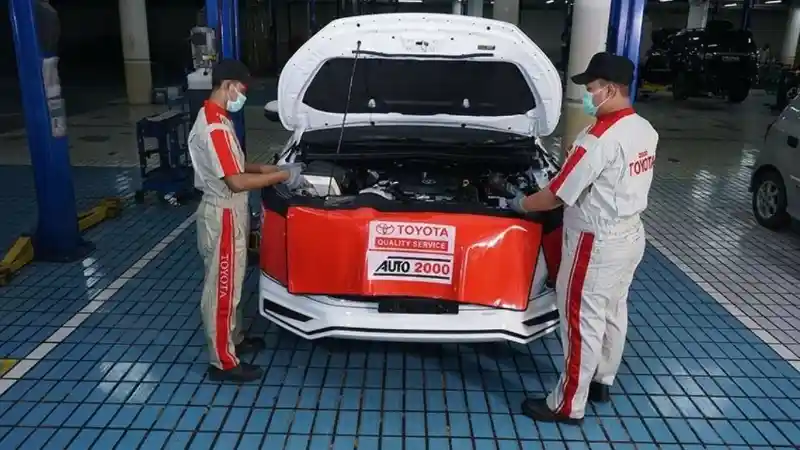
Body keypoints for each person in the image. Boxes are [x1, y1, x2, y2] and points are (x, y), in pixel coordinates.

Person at [508, 52, 658, 424]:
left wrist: (519, 204)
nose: (587, 97)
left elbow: (556, 195)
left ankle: (567, 404)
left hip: (595, 242)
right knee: (612, 310)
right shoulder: (644, 129)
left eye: (591, 89)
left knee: (580, 321)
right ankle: (602, 380)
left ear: (611, 89)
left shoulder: (598, 139)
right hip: (630, 235)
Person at [187, 59, 306, 383]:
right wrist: (282, 176)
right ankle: (223, 363)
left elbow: (233, 165)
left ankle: (235, 339)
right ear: (227, 85)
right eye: (241, 89)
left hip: (229, 210)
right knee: (222, 287)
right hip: (223, 213)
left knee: (232, 282)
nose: (242, 96)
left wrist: (264, 169)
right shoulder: (214, 127)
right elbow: (236, 182)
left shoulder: (215, 118)